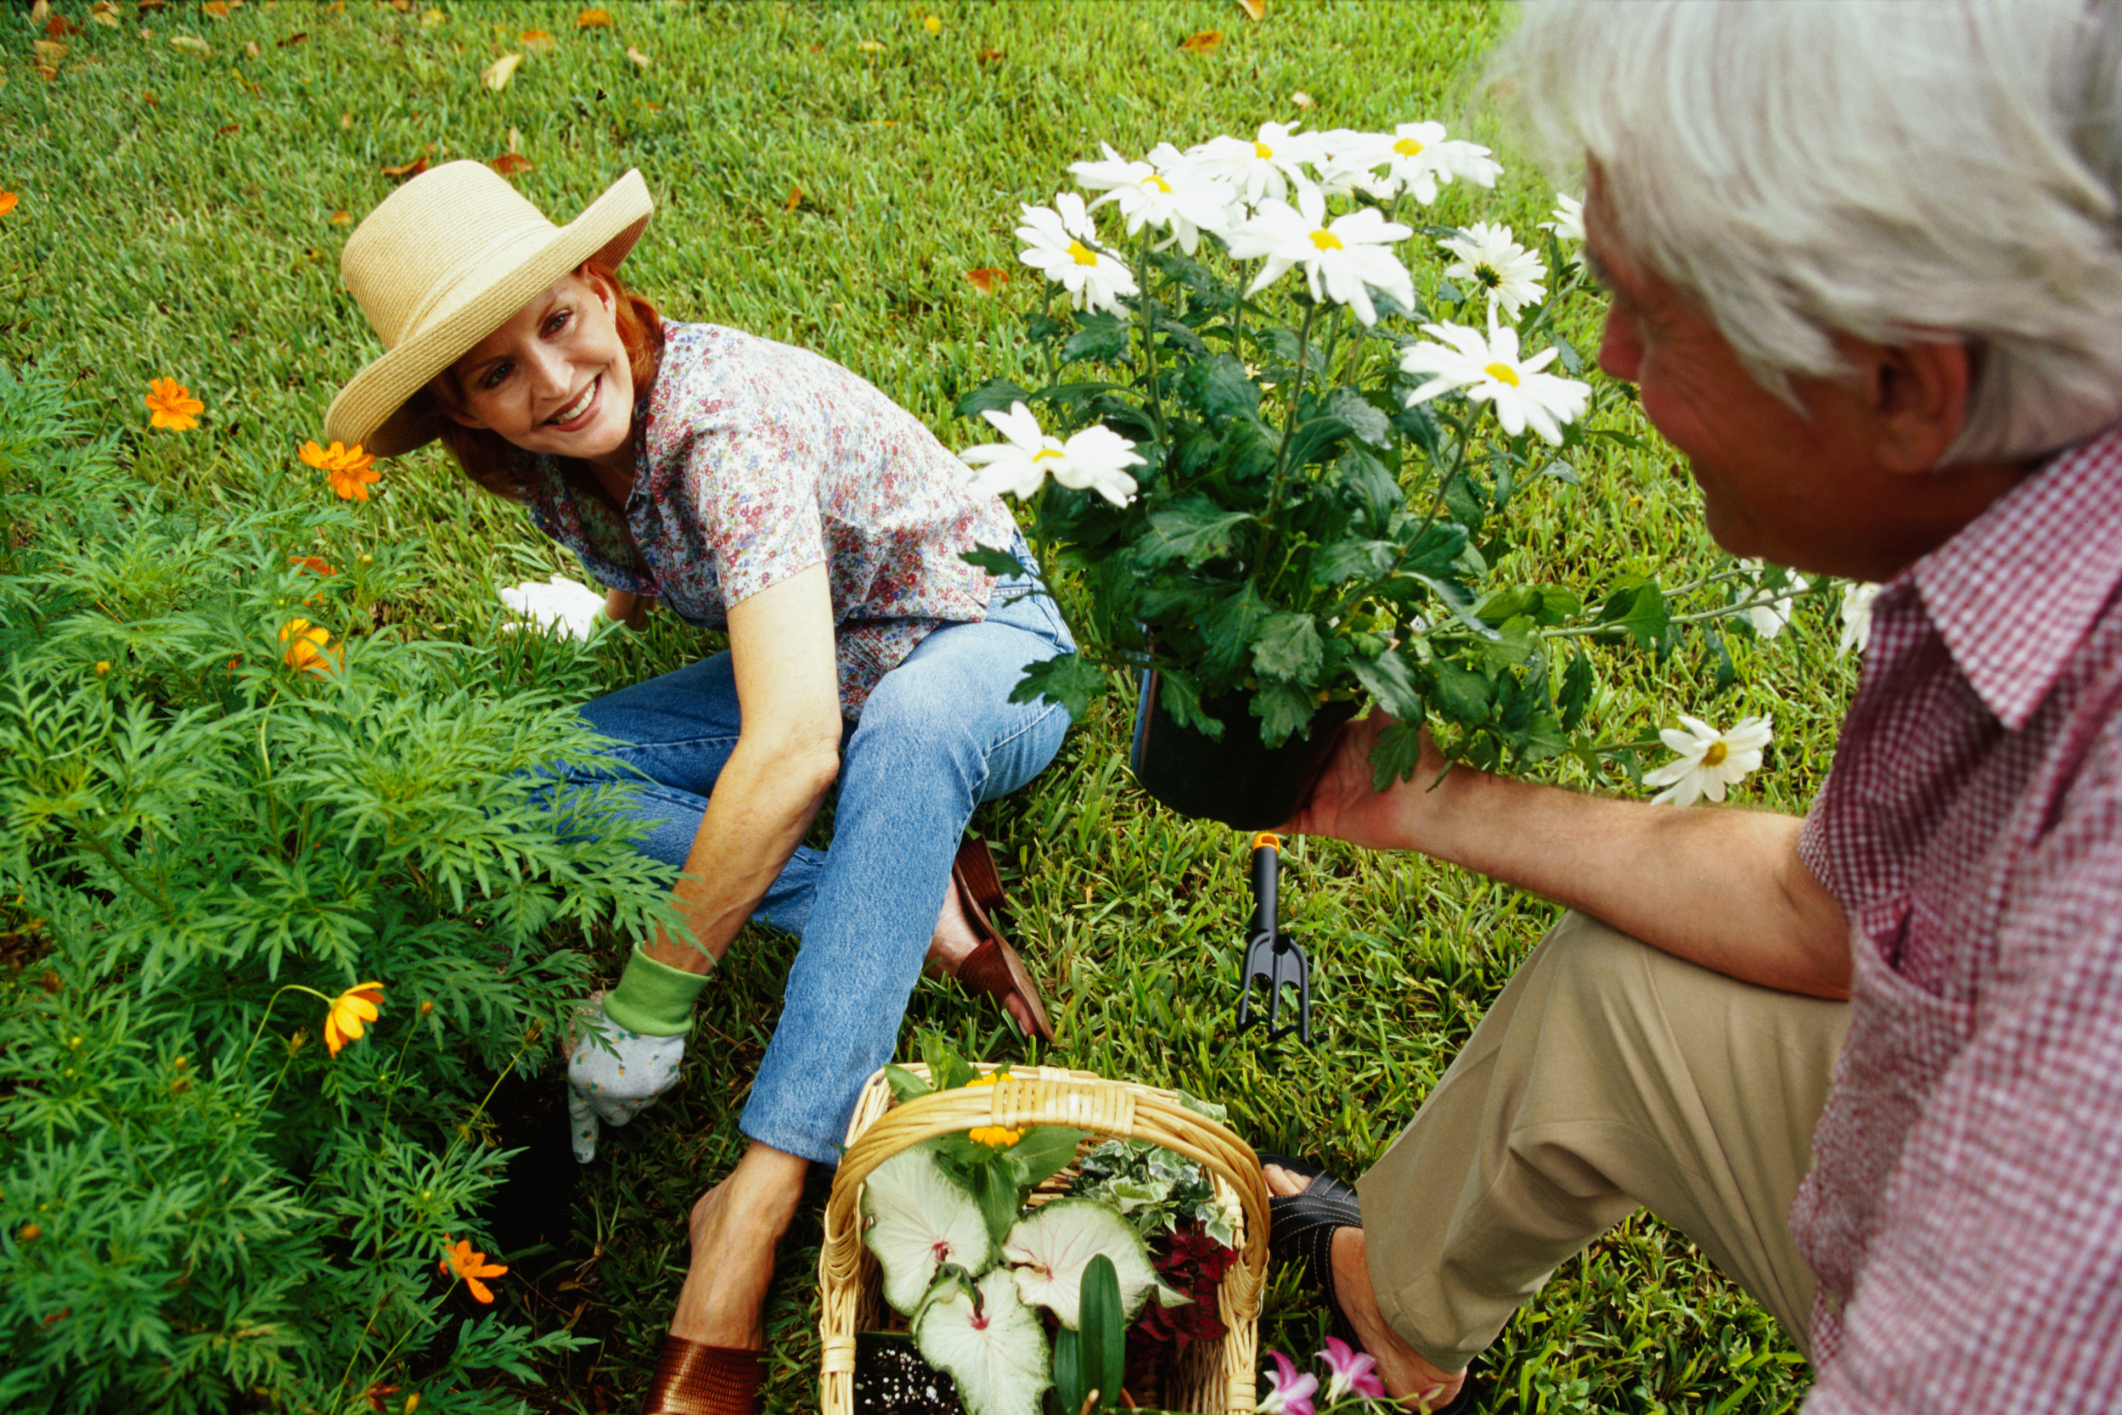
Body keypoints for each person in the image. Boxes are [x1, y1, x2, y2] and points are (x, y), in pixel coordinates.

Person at [1266, 1, 2122, 1410]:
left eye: (1651, 312)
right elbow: (1819, 915)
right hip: (1917, 1139)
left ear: (1906, 382)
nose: (1605, 355)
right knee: (1614, 993)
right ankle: (1403, 1322)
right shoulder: (2001, 528)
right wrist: (1421, 797)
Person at [322, 161, 1074, 1415]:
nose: (551, 381)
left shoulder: (726, 432)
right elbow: (686, 568)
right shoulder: (551, 458)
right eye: (496, 372)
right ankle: (892, 896)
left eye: (558, 323)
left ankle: (754, 1201)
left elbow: (790, 747)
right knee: (519, 772)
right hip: (820, 643)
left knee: (896, 740)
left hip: (980, 641)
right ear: (465, 413)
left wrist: (651, 1000)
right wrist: (608, 605)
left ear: (602, 288)